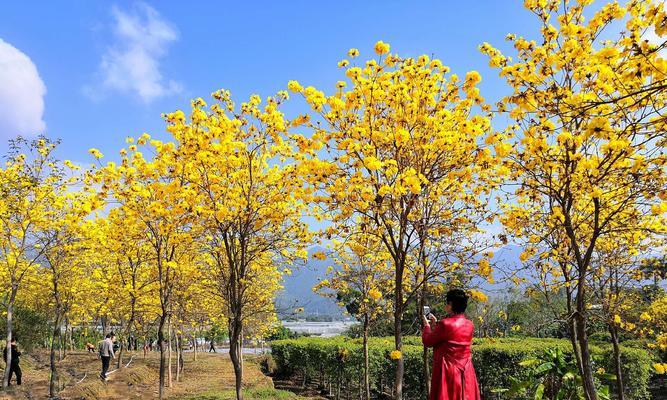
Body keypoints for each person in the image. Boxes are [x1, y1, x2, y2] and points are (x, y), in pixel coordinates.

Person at [422, 289, 480, 400]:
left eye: (447, 303)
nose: (446, 305)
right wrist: (436, 325)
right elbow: (449, 338)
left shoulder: (445, 324)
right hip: (466, 369)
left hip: (449, 370)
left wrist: (427, 326)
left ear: (451, 305)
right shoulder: (470, 324)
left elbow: (428, 341)